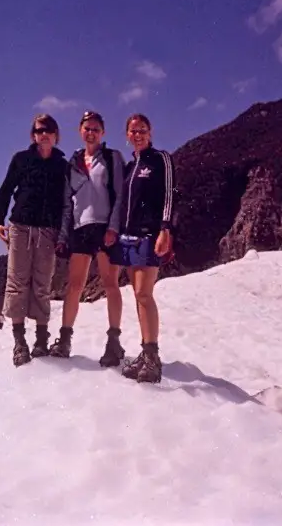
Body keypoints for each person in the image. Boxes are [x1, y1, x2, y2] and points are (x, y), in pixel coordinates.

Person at [50, 111, 127, 365]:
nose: (91, 132)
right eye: (87, 128)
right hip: (80, 229)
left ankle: (114, 343)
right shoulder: (73, 163)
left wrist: (114, 228)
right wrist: (63, 235)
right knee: (74, 286)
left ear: (102, 132)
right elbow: (66, 203)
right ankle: (64, 339)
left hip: (104, 227)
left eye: (96, 128)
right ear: (80, 131)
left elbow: (119, 195)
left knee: (110, 283)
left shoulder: (112, 158)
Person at [0, 113, 69, 367]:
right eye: (39, 130)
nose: (43, 134)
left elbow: (68, 201)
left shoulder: (63, 166)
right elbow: (6, 189)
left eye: (48, 130)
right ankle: (19, 343)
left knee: (42, 284)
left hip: (48, 230)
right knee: (17, 283)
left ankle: (41, 340)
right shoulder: (21, 160)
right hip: (21, 227)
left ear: (56, 135)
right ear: (33, 135)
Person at [107, 113, 175, 384]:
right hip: (129, 237)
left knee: (144, 293)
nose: (137, 135)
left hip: (150, 235)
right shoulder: (129, 167)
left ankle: (153, 358)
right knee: (138, 295)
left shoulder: (161, 159)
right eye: (133, 131)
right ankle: (145, 353)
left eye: (142, 130)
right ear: (127, 135)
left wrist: (165, 229)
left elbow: (169, 194)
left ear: (150, 132)